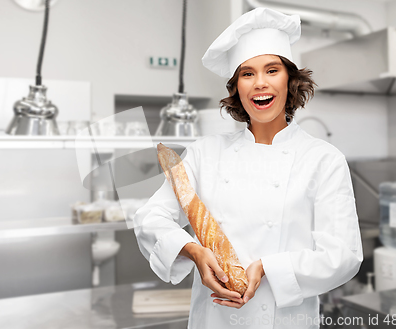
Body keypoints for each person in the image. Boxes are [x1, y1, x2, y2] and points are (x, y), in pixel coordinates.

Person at [133, 7, 363, 329]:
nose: (260, 84)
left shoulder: (323, 159)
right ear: (236, 88)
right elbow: (150, 217)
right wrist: (193, 251)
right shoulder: (205, 152)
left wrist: (269, 268)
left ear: (290, 80)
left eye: (272, 70)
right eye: (247, 73)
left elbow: (343, 255)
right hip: (213, 319)